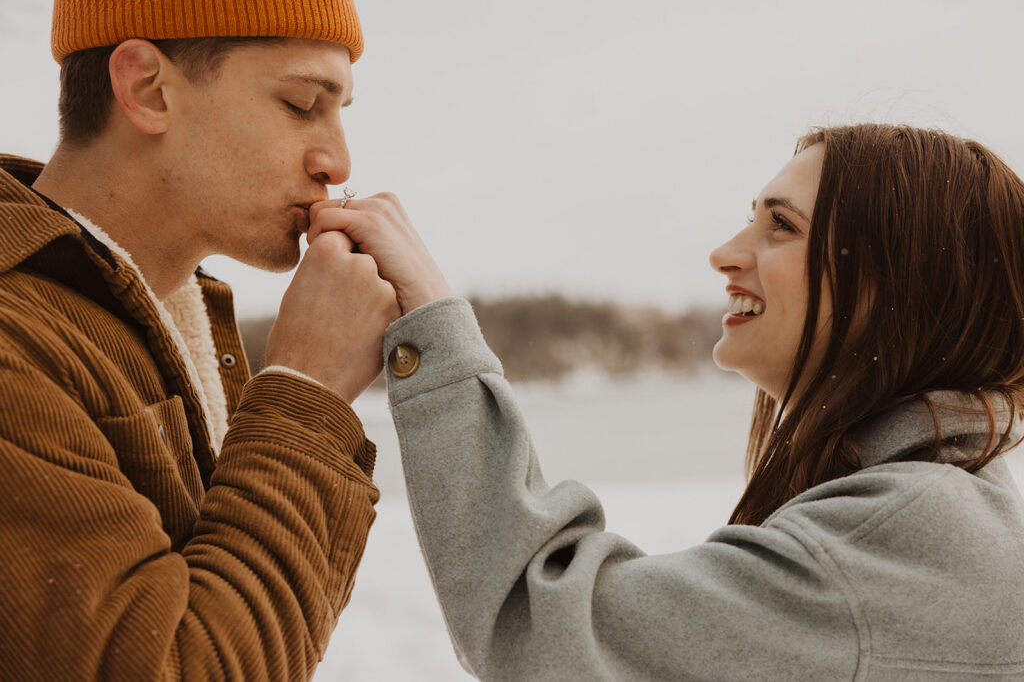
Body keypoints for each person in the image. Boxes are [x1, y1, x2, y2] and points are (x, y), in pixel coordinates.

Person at [316, 123, 1024, 680]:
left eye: (782, 224)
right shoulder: (944, 507)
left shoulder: (904, 540)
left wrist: (431, 319)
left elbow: (541, 627)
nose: (724, 252)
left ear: (898, 281)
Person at [0, 0, 404, 678]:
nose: (338, 159)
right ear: (147, 89)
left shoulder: (164, 323)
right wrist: (308, 394)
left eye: (342, 111)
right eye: (303, 103)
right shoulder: (15, 345)